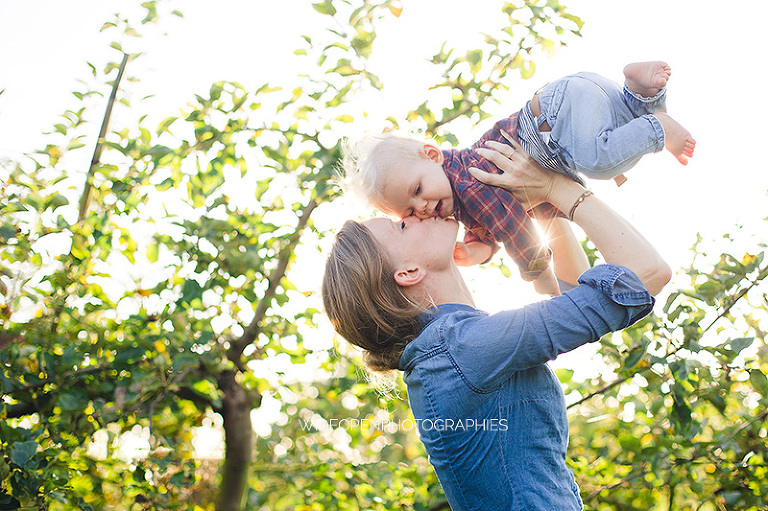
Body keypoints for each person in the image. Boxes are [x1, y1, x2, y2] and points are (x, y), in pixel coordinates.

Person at [322, 139, 671, 510]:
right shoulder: (462, 348)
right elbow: (647, 274)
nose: (416, 214)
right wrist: (559, 189)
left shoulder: (449, 351)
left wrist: (541, 206)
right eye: (402, 226)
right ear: (408, 272)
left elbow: (572, 299)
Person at [340, 61, 692, 296]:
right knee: (620, 131)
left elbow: (513, 228)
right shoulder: (462, 194)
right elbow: (490, 223)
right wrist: (478, 250)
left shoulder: (470, 181)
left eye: (417, 190)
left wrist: (539, 278)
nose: (423, 207)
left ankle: (657, 128)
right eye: (411, 213)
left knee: (600, 161)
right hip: (571, 109)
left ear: (432, 156)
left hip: (555, 120)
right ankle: (642, 93)